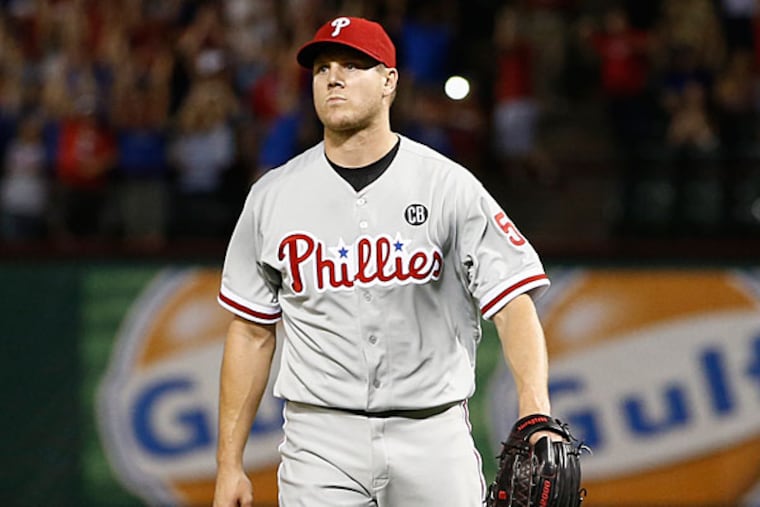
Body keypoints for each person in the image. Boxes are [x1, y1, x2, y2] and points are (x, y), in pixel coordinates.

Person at [213, 16, 554, 507]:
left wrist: (534, 412)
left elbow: (513, 302)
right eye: (322, 68)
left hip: (432, 434)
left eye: (354, 65)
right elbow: (249, 331)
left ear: (390, 82)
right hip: (319, 440)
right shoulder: (272, 196)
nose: (334, 77)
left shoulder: (447, 186)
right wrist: (229, 465)